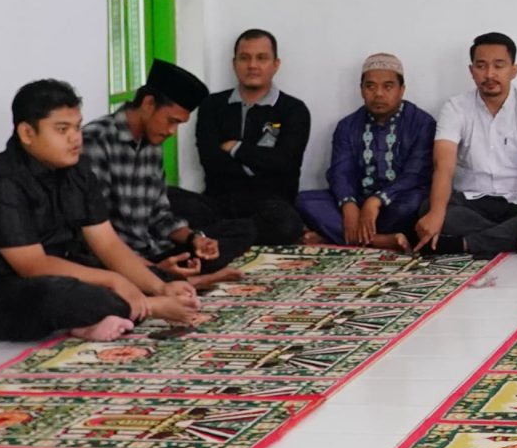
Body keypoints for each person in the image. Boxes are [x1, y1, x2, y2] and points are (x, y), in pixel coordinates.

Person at [0, 80, 204, 343]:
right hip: (1, 288)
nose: (75, 138)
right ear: (27, 133)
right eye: (62, 129)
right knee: (66, 295)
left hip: (62, 270)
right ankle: (141, 308)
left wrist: (161, 286)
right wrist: (128, 289)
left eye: (77, 127)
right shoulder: (1, 181)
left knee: (152, 274)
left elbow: (108, 243)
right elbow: (34, 265)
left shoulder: (78, 171)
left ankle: (98, 318)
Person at [78, 58, 231, 277]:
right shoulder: (96, 142)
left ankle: (170, 275)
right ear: (148, 104)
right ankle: (164, 278)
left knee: (239, 231)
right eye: (171, 121)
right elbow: (94, 233)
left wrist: (195, 239)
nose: (172, 131)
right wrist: (150, 271)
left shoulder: (152, 144)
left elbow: (159, 215)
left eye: (178, 124)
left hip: (152, 250)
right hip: (115, 260)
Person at [414, 33, 517, 258]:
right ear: (472, 71)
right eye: (481, 66)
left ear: (514, 70)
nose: (490, 74)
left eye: (499, 66)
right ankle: (507, 239)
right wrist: (436, 213)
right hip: (471, 203)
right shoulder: (455, 107)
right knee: (429, 208)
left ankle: (463, 245)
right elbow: (443, 166)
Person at [299, 54, 435, 248]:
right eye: (370, 86)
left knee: (414, 204)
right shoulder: (347, 126)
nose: (378, 93)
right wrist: (348, 204)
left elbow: (415, 175)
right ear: (361, 89)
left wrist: (377, 200)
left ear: (401, 89)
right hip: (358, 202)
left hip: (396, 203)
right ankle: (380, 241)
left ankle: (335, 237)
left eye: (387, 86)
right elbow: (340, 171)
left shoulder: (422, 123)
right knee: (305, 200)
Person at [192, 29, 313, 247]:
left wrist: (236, 148)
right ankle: (235, 232)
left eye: (262, 58)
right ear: (234, 63)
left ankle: (221, 235)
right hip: (219, 200)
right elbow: (210, 160)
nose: (253, 66)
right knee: (171, 203)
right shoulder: (212, 105)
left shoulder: (293, 109)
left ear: (276, 64)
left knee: (286, 225)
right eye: (244, 58)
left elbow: (285, 163)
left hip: (270, 203)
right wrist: (260, 164)